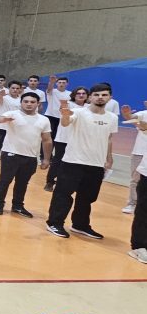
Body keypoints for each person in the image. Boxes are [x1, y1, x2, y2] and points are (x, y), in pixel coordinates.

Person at [45, 83, 118, 240]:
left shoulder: (112, 117)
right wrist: (64, 115)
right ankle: (54, 223)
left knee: (87, 197)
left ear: (110, 97)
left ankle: (80, 225)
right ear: (90, 97)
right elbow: (66, 123)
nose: (100, 97)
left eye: (104, 95)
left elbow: (109, 139)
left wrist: (109, 158)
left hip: (96, 164)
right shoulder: (78, 112)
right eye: (97, 95)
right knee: (63, 194)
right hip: (73, 161)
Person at [0, 93, 52, 218]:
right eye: (26, 101)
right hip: (11, 154)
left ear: (38, 104)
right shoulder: (13, 114)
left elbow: (47, 140)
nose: (29, 104)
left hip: (30, 157)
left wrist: (46, 158)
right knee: (5, 180)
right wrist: (2, 119)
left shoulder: (44, 120)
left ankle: (18, 206)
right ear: (21, 102)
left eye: (32, 102)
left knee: (23, 183)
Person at [121, 104, 147, 214]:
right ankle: (132, 203)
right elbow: (131, 117)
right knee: (135, 179)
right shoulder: (144, 113)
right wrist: (127, 114)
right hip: (140, 152)